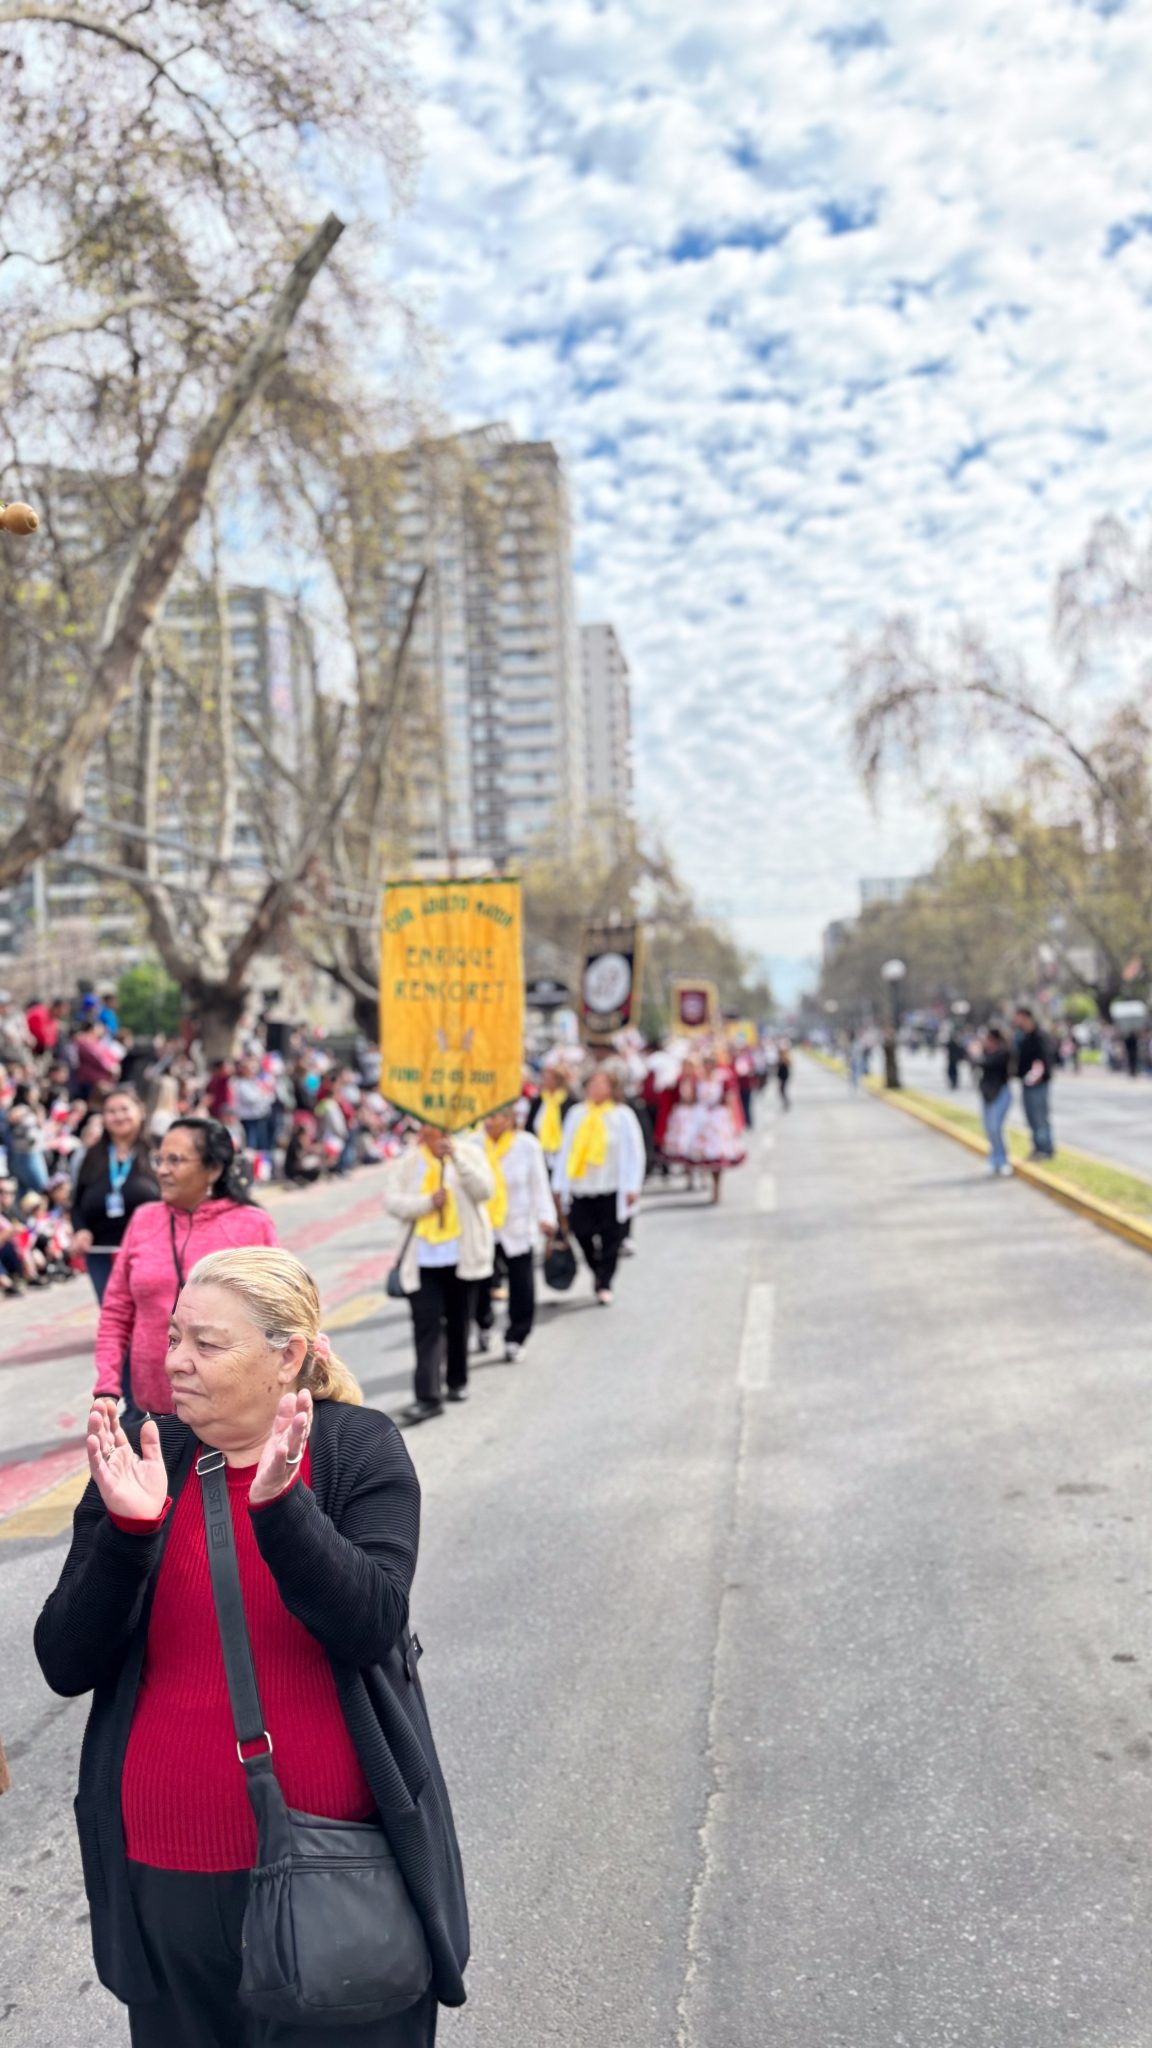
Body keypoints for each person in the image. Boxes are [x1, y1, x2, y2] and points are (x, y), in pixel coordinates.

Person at [35, 1245, 463, 2048]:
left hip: (335, 1871)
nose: (176, 1361)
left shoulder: (356, 1449)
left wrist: (283, 1510)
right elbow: (65, 1661)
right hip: (165, 1882)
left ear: (288, 1355)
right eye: (174, 1338)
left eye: (207, 1343)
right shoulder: (146, 1452)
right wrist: (128, 1533)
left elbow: (372, 1625)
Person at [92, 1117, 279, 1423]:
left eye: (175, 1160)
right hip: (154, 1410)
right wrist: (107, 1387)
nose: (162, 1170)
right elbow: (116, 1312)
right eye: (160, 1159)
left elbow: (280, 1313)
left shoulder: (251, 1225)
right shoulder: (144, 1220)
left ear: (213, 1169)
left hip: (232, 1412)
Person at [383, 1126, 495, 1422]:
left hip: (461, 1257)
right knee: (426, 1327)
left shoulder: (469, 1153)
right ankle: (428, 1397)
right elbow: (392, 1201)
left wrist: (457, 1158)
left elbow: (485, 1191)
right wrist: (427, 1203)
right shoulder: (409, 1161)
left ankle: (457, 1380)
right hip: (421, 1260)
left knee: (459, 1322)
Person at [552, 1069, 645, 1305]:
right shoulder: (577, 1113)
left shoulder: (622, 1115)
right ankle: (596, 1269)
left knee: (611, 1238)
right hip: (581, 1187)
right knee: (582, 1233)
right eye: (592, 1084)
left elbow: (635, 1152)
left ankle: (605, 1281)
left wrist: (633, 1186)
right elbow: (566, 1150)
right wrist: (559, 1185)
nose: (596, 1089)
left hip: (611, 1186)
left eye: (601, 1084)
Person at [473, 1109, 556, 1362]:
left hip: (517, 1225)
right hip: (482, 1226)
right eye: (486, 1117)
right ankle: (483, 1323)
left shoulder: (527, 1145)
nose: (489, 1122)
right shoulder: (472, 1145)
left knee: (522, 1284)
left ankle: (516, 1337)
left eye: (495, 1116)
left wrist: (546, 1216)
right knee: (480, 1283)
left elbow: (539, 1184)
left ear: (509, 1118)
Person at [71, 1088, 160, 1304]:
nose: (118, 1116)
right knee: (112, 1312)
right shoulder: (90, 1155)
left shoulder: (159, 1149)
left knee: (149, 1313)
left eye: (124, 1109)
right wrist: (80, 1230)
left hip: (150, 1251)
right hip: (101, 1253)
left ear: (140, 1111)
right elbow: (76, 1203)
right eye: (111, 1111)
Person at [1012, 1004, 1054, 1161]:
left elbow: (1045, 1060)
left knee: (1040, 1116)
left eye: (1018, 1018)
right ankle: (1037, 1147)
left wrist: (1038, 1076)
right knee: (1031, 1117)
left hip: (1038, 1084)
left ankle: (1045, 1149)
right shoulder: (1023, 1036)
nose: (1016, 1021)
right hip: (1026, 1083)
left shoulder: (1039, 1036)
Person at [974, 1024, 1014, 1178]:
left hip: (1001, 1093)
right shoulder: (986, 1053)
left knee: (996, 1127)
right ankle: (994, 1159)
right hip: (987, 1094)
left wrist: (976, 1054)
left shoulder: (1003, 1053)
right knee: (989, 1129)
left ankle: (1003, 1160)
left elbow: (986, 1063)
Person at [524, 1063, 572, 1171]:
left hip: (559, 1153)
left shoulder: (569, 1102)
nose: (544, 1081)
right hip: (539, 1150)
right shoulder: (538, 1100)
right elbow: (529, 1124)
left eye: (549, 1078)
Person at [776, 1037, 793, 1111]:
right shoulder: (779, 1055)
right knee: (781, 1090)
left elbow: (789, 1063)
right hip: (780, 1074)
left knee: (782, 1089)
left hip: (784, 1074)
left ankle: (786, 1102)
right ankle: (785, 1102)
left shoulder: (786, 1055)